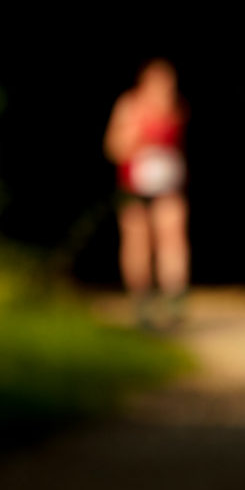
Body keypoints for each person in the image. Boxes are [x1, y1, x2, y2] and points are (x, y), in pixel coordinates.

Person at [104, 58, 190, 327]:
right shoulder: (129, 106)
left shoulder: (176, 108)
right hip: (134, 185)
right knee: (137, 242)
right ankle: (141, 301)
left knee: (173, 237)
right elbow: (113, 147)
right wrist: (138, 134)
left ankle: (174, 298)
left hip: (167, 186)